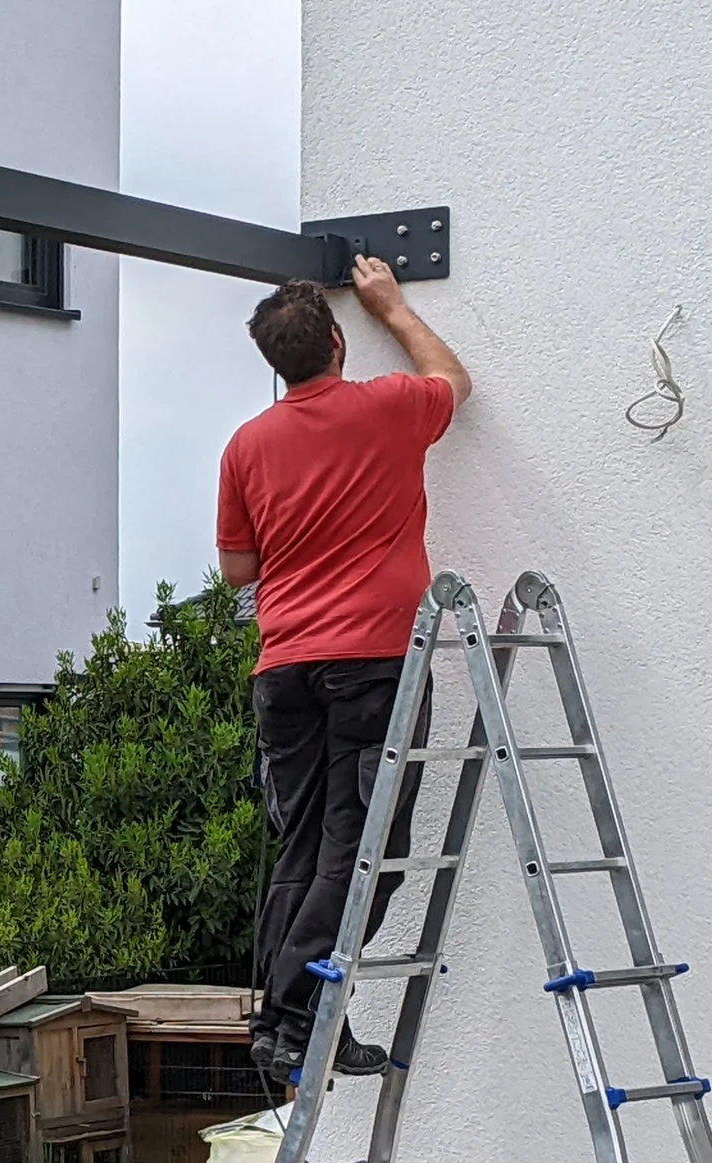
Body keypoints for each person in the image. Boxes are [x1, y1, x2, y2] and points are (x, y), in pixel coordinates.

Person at [217, 255, 472, 1080]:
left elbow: (237, 570)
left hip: (286, 668)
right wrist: (392, 307)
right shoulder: (390, 408)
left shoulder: (247, 444)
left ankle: (288, 1018)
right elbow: (453, 380)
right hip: (373, 662)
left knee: (304, 846)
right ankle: (297, 1015)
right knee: (363, 846)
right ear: (338, 341)